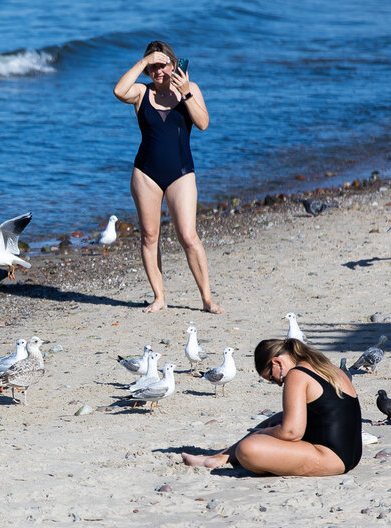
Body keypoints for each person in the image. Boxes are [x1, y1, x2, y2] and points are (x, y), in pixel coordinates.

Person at [113, 41, 222, 314]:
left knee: (188, 235)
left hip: (181, 173)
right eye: (152, 67)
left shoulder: (190, 89)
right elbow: (118, 90)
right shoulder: (141, 92)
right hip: (145, 173)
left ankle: (207, 299)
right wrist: (143, 61)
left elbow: (203, 123)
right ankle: (159, 297)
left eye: (162, 65)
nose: (157, 71)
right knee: (149, 237)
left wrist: (185, 93)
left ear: (173, 65)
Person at [182, 339, 362, 476]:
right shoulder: (324, 367)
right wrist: (271, 426)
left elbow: (292, 432)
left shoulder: (296, 374)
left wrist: (261, 432)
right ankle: (220, 457)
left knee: (248, 449)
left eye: (272, 378)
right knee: (277, 418)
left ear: (276, 362)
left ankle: (221, 457)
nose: (277, 383)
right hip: (352, 454)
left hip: (330, 458)